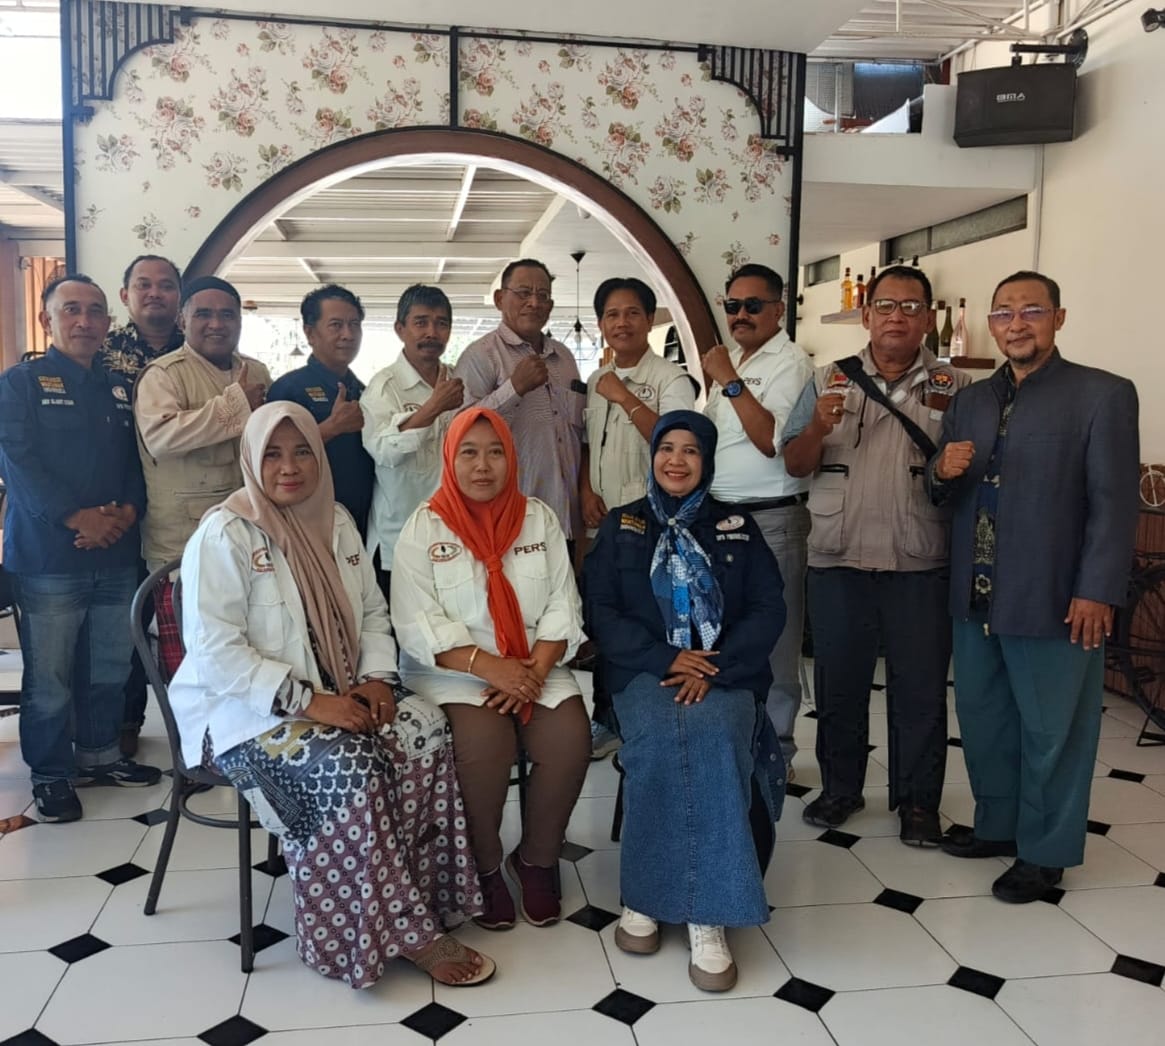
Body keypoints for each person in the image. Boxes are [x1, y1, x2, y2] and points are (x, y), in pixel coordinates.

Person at [168, 402, 495, 988]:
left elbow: (371, 611)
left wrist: (376, 678)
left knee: (424, 730)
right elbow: (216, 653)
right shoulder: (225, 533)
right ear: (251, 460)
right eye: (272, 454)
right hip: (248, 715)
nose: (289, 467)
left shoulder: (337, 520)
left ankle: (422, 897)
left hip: (340, 688)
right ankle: (367, 935)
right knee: (349, 767)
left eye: (302, 452)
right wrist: (309, 702)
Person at [927, 271, 1139, 903]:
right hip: (976, 594)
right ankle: (997, 825)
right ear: (990, 324)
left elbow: (1114, 505)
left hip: (1055, 596)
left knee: (1054, 732)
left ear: (1058, 318)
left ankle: (1045, 852)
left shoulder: (1102, 394)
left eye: (1031, 311)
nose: (1016, 323)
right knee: (985, 720)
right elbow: (941, 490)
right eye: (1004, 313)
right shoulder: (969, 400)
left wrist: (1097, 590)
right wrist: (940, 471)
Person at [584, 411, 785, 992]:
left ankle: (707, 916)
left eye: (691, 450)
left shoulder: (738, 526)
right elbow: (600, 609)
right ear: (652, 456)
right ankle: (647, 897)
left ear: (708, 461)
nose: (676, 460)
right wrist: (666, 658)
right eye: (666, 448)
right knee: (658, 740)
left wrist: (713, 666)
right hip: (644, 672)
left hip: (726, 672)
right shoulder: (622, 524)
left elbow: (768, 608)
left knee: (714, 736)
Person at [782, 264, 970, 845]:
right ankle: (840, 789)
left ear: (928, 318)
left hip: (920, 562)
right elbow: (794, 463)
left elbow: (970, 474)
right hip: (838, 560)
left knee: (920, 693)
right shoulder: (826, 379)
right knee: (839, 686)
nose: (897, 317)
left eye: (911, 307)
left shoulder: (957, 386)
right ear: (865, 315)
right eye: (886, 305)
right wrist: (816, 427)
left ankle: (918, 804)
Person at [391, 407, 590, 931]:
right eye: (469, 453)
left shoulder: (538, 518)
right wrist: (489, 667)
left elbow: (563, 605)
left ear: (511, 457)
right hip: (455, 671)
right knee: (484, 747)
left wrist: (531, 672)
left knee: (570, 739)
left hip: (534, 661)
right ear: (449, 459)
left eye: (495, 452)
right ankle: (481, 867)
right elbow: (416, 624)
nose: (483, 466)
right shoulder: (423, 527)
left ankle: (537, 859)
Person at [0, 275, 161, 823]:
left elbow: (137, 461)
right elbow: (18, 463)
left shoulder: (118, 387)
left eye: (95, 311)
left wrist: (128, 513)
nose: (85, 321)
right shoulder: (20, 383)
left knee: (109, 667)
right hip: (50, 557)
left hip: (115, 554)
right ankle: (50, 773)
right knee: (50, 679)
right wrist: (77, 516)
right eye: (71, 310)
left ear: (108, 323)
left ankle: (100, 754)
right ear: (47, 320)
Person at [701, 263, 813, 782]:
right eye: (732, 306)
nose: (740, 315)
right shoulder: (736, 360)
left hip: (771, 519)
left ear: (778, 310)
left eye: (752, 305)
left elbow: (771, 440)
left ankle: (777, 755)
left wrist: (728, 379)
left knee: (776, 642)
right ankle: (735, 743)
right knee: (724, 636)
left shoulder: (791, 363)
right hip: (720, 517)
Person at [581, 276, 696, 759]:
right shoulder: (595, 381)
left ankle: (649, 715)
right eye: (611, 314)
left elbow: (677, 441)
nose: (621, 323)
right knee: (603, 616)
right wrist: (584, 490)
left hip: (651, 524)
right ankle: (606, 717)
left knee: (646, 619)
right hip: (601, 520)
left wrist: (625, 397)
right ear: (601, 324)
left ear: (649, 320)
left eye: (632, 313)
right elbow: (587, 445)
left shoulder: (671, 379)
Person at [134, 275, 271, 678]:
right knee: (190, 664)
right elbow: (160, 437)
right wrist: (235, 405)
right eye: (204, 314)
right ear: (182, 320)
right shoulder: (163, 374)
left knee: (248, 653)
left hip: (251, 535)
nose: (216, 324)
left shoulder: (256, 371)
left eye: (227, 315)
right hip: (182, 543)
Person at [100, 254, 185, 756]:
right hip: (118, 510)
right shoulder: (101, 354)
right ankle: (124, 722)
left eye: (166, 285)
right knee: (125, 626)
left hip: (178, 510)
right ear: (126, 295)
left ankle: (194, 727)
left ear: (179, 295)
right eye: (144, 284)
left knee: (184, 627)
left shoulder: (199, 349)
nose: (155, 293)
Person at [453, 258, 586, 546]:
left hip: (566, 519)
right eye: (524, 293)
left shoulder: (564, 358)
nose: (534, 303)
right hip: (509, 520)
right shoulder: (481, 355)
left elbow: (578, 433)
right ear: (500, 299)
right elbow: (459, 430)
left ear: (550, 306)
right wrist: (515, 388)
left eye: (543, 295)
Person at [362, 284, 464, 597]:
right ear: (400, 329)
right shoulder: (384, 387)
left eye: (441, 323)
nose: (432, 332)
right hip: (400, 538)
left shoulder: (458, 381)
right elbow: (382, 450)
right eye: (421, 322)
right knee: (402, 626)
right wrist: (433, 408)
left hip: (454, 532)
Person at [267, 285, 374, 537]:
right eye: (336, 325)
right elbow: (270, 457)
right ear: (310, 332)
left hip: (360, 520)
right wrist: (331, 427)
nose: (348, 334)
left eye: (354, 325)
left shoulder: (364, 390)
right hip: (306, 520)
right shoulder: (289, 388)